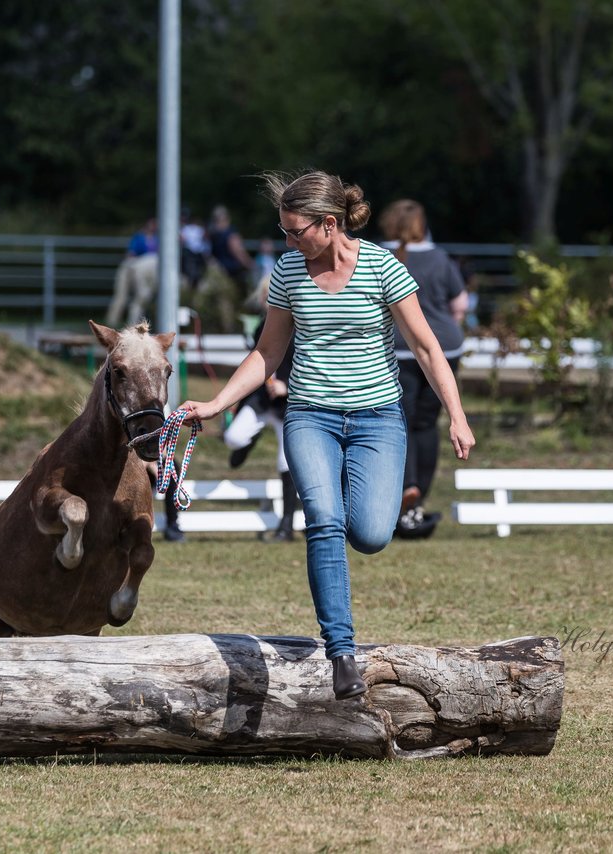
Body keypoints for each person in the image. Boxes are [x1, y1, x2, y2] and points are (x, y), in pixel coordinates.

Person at [179, 171, 475, 700]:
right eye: (284, 231)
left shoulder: (383, 267)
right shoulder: (289, 271)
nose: (289, 242)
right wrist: (217, 403)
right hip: (310, 414)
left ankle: (345, 499)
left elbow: (429, 349)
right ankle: (342, 653)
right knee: (323, 520)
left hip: (378, 419)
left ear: (330, 224)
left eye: (297, 232)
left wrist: (457, 414)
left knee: (371, 534)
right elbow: (267, 352)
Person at [379, 199, 470, 539]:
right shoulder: (440, 259)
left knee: (397, 420)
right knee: (426, 424)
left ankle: (405, 487)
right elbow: (459, 305)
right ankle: (418, 494)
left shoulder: (376, 256)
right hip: (444, 347)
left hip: (398, 348)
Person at [223, 279, 298, 543]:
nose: (269, 300)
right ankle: (250, 441)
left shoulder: (303, 324)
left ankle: (286, 525)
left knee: (286, 460)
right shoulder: (262, 325)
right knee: (234, 437)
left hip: (291, 402)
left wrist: (287, 386)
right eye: (267, 296)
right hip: (261, 399)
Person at [106, 217, 160, 328]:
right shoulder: (140, 237)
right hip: (136, 267)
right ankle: (113, 323)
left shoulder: (157, 238)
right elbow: (131, 253)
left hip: (146, 268)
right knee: (126, 297)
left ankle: (130, 325)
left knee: (140, 298)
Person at [207, 205, 254, 291]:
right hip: (232, 273)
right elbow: (237, 251)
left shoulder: (212, 234)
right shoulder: (230, 233)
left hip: (218, 272)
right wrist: (250, 264)